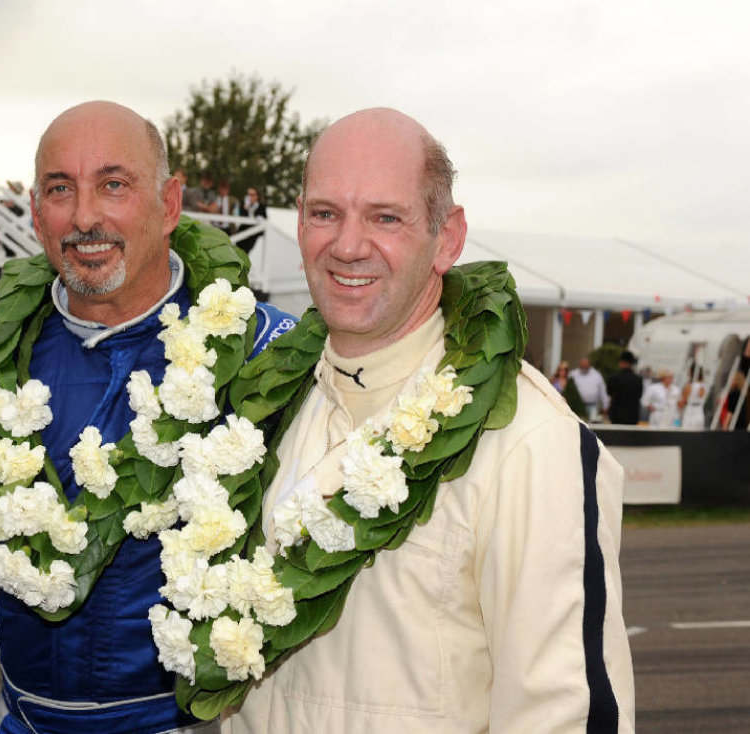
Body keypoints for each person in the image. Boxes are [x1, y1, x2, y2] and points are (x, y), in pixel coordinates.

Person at [0, 100, 294, 733]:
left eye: (114, 184)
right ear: (36, 213)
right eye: (61, 189)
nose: (86, 216)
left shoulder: (263, 355)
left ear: (170, 203)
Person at [223, 108, 634, 732]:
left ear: (448, 237)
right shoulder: (264, 409)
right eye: (324, 213)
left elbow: (564, 714)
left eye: (385, 217)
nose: (348, 245)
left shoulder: (529, 443)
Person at [607, 350, 644, 425]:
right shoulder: (638, 379)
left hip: (617, 416)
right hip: (633, 416)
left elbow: (609, 392)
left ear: (622, 362)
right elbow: (639, 395)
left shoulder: (614, 378)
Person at [570, 355, 609, 421]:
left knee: (592, 425)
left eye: (586, 365)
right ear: (580, 365)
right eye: (582, 365)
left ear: (589, 365)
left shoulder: (596, 375)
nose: (584, 367)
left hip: (593, 406)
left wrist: (605, 406)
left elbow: (603, 392)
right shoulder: (573, 374)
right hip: (578, 406)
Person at [234, 185, 266, 255]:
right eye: (248, 194)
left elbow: (264, 218)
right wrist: (246, 208)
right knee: (238, 250)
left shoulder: (261, 206)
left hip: (253, 234)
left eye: (252, 195)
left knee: (246, 252)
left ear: (257, 196)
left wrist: (257, 216)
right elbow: (240, 216)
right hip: (243, 231)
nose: (250, 197)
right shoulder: (243, 203)